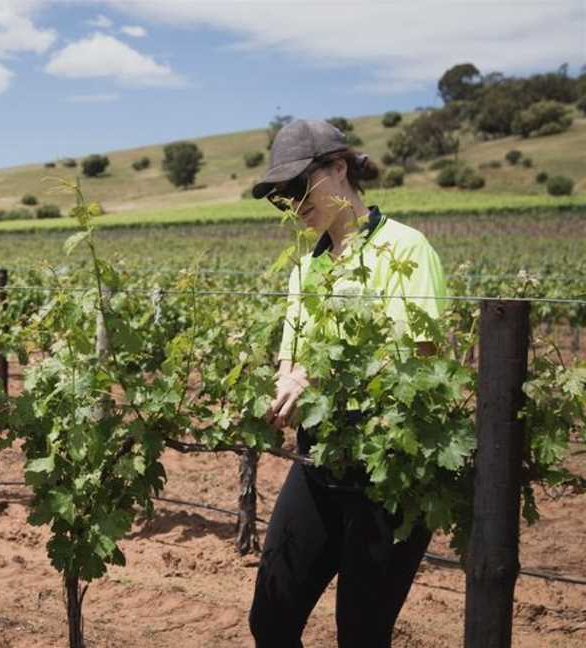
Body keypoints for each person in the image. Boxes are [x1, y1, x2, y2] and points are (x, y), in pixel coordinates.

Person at [247, 120, 447, 647]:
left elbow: (423, 362)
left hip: (388, 470)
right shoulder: (304, 269)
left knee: (360, 634)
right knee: (270, 618)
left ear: (339, 168)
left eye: (297, 187)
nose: (291, 204)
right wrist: (285, 382)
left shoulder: (406, 248)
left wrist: (316, 375)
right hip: (318, 461)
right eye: (279, 197)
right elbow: (290, 362)